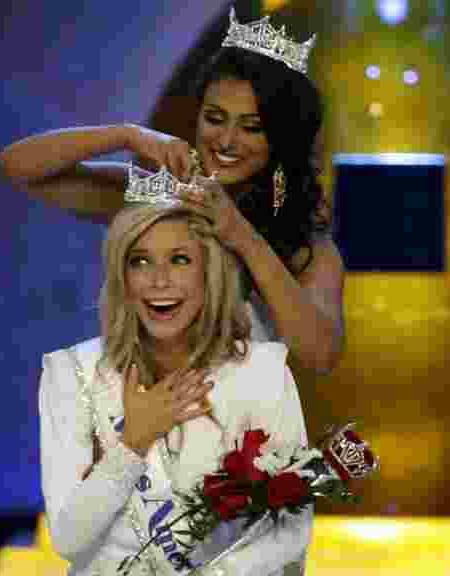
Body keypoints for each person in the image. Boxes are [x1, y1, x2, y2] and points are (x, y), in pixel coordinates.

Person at [0, 8, 344, 375]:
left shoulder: (307, 247)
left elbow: (321, 355)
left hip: (249, 428)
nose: (226, 140)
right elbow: (18, 167)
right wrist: (127, 134)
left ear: (281, 137)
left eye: (251, 127)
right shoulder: (157, 198)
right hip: (149, 419)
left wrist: (242, 236)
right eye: (214, 118)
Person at [38, 193, 313, 575]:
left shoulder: (262, 372)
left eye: (179, 260)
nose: (159, 280)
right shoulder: (74, 373)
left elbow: (291, 528)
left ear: (208, 271)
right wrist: (133, 444)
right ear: (122, 275)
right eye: (140, 261)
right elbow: (68, 538)